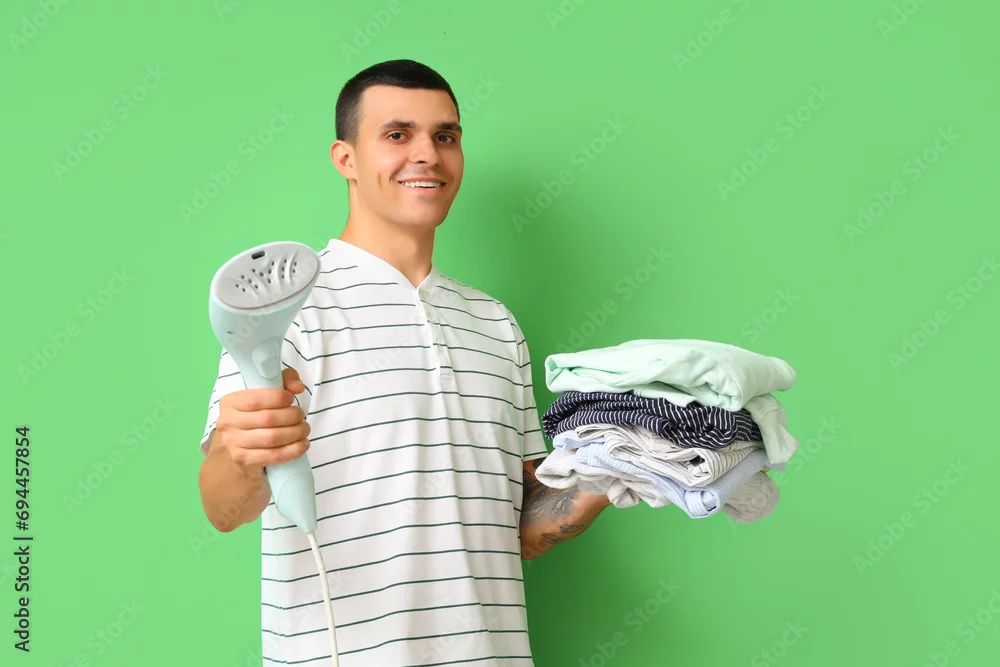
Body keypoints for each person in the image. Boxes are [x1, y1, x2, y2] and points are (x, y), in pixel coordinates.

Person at [197, 59, 612, 667]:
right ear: (346, 159)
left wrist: (623, 468)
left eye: (445, 136)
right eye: (397, 134)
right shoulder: (285, 311)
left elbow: (521, 529)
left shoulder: (496, 322)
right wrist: (240, 454)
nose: (427, 155)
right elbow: (222, 509)